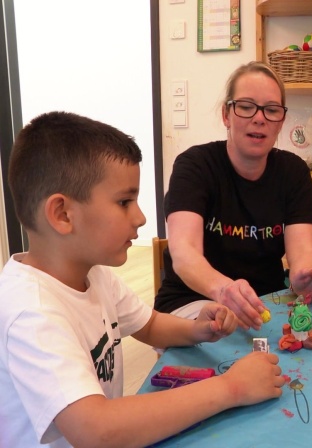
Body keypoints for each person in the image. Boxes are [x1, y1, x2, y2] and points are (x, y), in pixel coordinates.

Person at [0, 111, 286, 448]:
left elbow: (149, 325)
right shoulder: (31, 312)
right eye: (124, 202)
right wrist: (231, 388)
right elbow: (96, 430)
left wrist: (197, 329)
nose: (140, 217)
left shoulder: (94, 274)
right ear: (63, 214)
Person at [154, 61, 312, 330]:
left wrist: (304, 278)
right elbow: (184, 253)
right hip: (193, 302)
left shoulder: (294, 172)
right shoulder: (195, 165)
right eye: (245, 106)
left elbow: (302, 251)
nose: (259, 117)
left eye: (272, 110)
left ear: (281, 122)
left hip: (267, 302)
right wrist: (224, 290)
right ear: (226, 115)